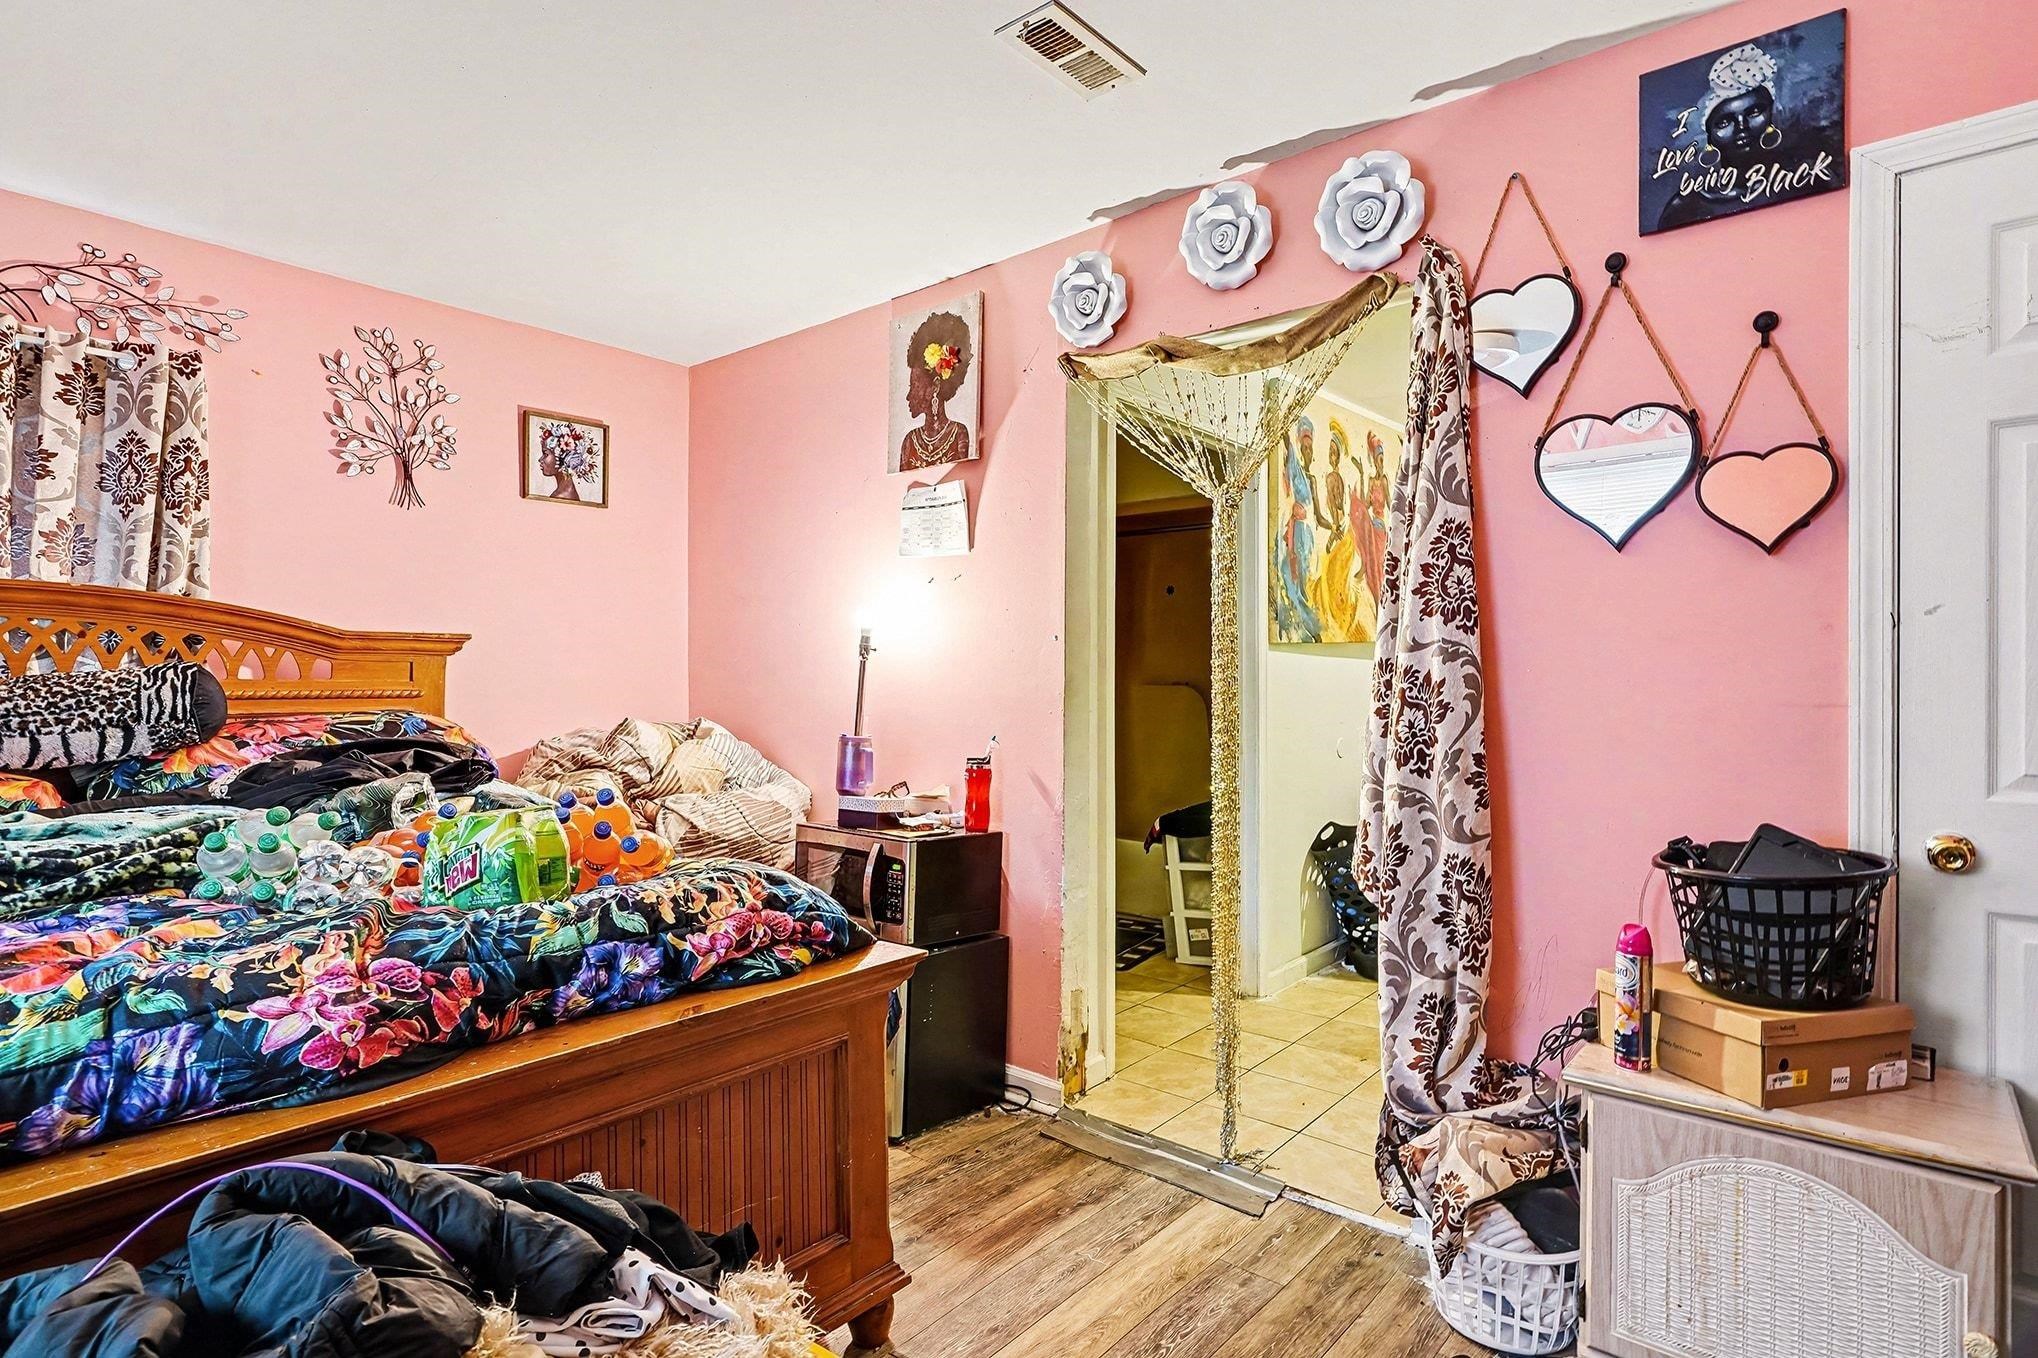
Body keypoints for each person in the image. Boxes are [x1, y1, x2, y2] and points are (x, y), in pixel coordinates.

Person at [898, 310, 974, 471]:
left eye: (914, 387)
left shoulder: (958, 433)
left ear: (936, 386)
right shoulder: (909, 441)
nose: (908, 396)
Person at [1276, 417, 1322, 640]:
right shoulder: (1296, 472)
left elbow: (1320, 516)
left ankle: (1308, 625)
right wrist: (1284, 429)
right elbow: (1288, 447)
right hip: (1295, 532)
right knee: (1288, 572)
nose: (1306, 452)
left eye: (1309, 448)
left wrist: (1335, 528)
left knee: (1302, 578)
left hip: (1305, 533)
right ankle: (1301, 623)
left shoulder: (1311, 479)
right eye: (1304, 447)